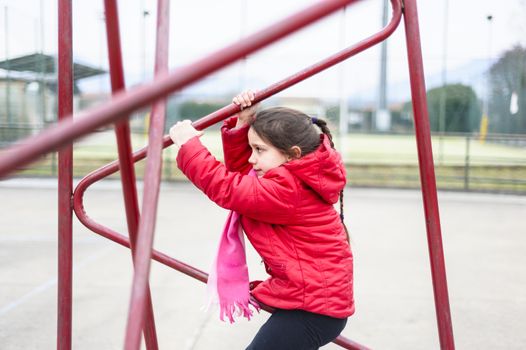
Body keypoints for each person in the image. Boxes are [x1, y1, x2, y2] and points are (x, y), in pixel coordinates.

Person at [169, 90, 354, 350]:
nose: (251, 157)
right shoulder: (294, 178)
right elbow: (245, 177)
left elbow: (230, 188)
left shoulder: (288, 191)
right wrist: (243, 122)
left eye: (259, 150)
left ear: (293, 155)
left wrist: (190, 146)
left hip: (312, 309)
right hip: (313, 303)